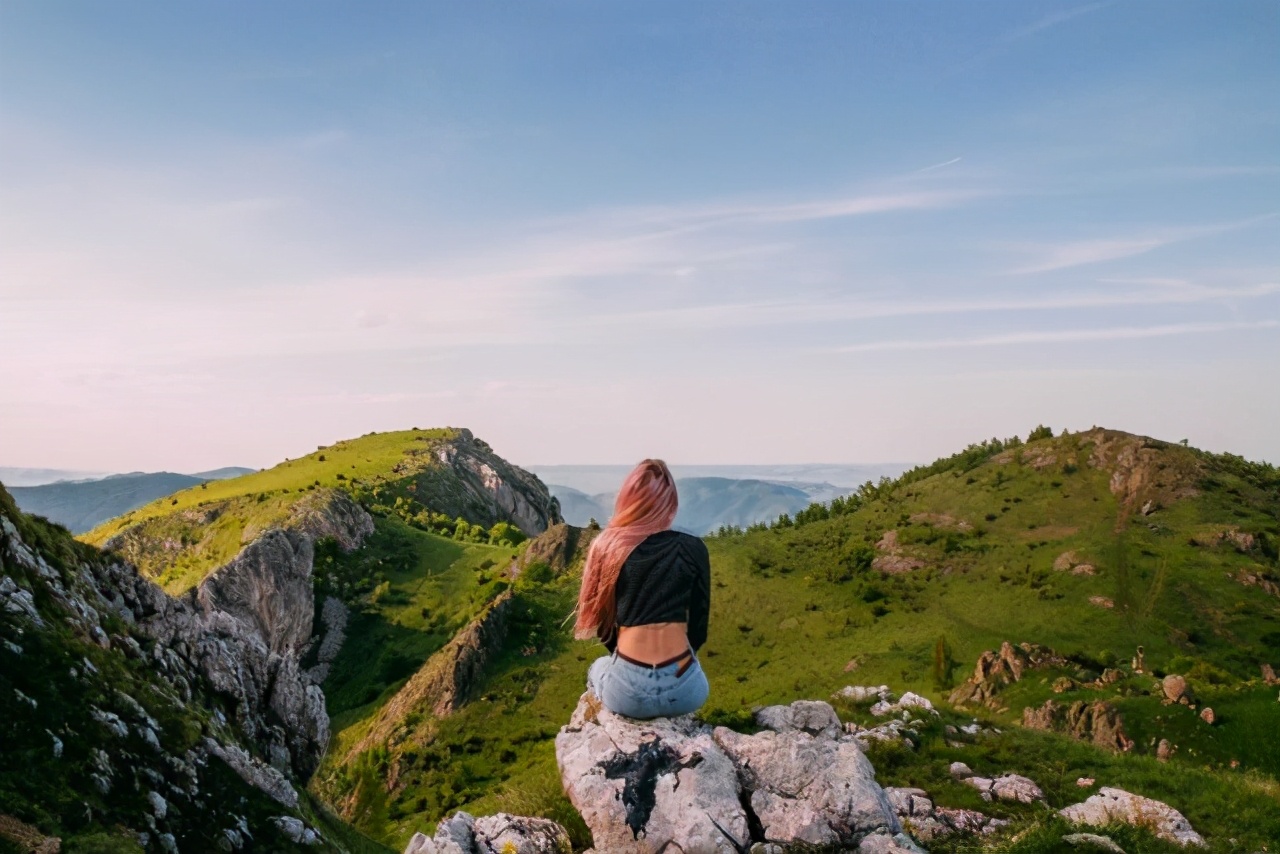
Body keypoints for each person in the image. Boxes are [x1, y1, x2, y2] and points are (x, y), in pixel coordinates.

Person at [575, 458, 711, 719]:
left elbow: (605, 631)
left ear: (627, 501)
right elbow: (698, 630)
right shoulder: (694, 548)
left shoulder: (607, 547)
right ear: (670, 504)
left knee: (598, 667)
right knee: (692, 666)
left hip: (627, 694)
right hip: (686, 691)